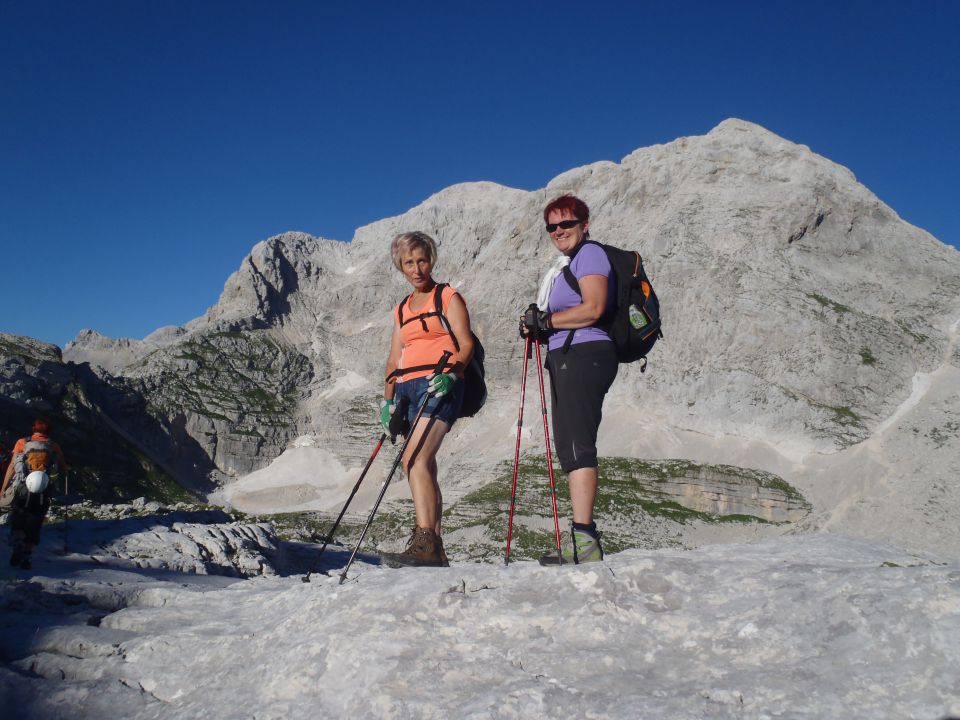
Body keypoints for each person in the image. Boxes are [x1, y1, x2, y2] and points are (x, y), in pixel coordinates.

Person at [520, 194, 618, 564]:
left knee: (578, 447)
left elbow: (592, 308)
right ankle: (580, 541)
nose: (559, 230)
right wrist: (540, 328)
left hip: (584, 354)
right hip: (568, 353)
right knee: (571, 447)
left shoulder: (590, 255)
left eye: (567, 223)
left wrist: (546, 322)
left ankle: (585, 543)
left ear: (585, 224)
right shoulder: (568, 265)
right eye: (552, 226)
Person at [380, 231, 474, 567]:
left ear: (431, 260)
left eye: (422, 260)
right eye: (409, 263)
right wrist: (387, 402)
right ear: (400, 267)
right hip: (407, 389)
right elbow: (394, 360)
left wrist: (452, 374)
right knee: (426, 466)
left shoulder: (447, 297)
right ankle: (435, 547)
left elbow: (466, 344)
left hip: (440, 382)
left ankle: (424, 542)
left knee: (414, 459)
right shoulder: (402, 309)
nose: (417, 268)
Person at [0, 417, 69, 569]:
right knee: (35, 522)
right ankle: (27, 556)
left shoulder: (21, 443)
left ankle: (18, 542)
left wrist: (3, 489)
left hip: (22, 488)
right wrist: (65, 470)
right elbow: (63, 468)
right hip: (43, 490)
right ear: (48, 431)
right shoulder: (53, 446)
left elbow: (12, 466)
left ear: (33, 429)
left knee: (18, 516)